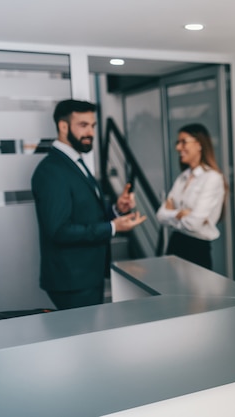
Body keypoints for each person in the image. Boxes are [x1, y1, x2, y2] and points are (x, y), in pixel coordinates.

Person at [31, 99, 146, 310]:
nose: (91, 132)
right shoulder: (52, 170)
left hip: (86, 275)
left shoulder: (76, 162)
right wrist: (113, 227)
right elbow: (58, 230)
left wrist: (116, 210)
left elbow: (85, 214)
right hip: (72, 280)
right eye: (83, 125)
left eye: (92, 126)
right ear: (63, 126)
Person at [156, 123, 226, 270]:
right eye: (178, 142)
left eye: (183, 142)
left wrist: (171, 214)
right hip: (175, 246)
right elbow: (160, 216)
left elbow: (194, 223)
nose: (178, 148)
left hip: (197, 250)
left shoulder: (212, 178)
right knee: (171, 291)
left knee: (197, 293)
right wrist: (180, 214)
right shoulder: (182, 177)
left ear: (199, 144)